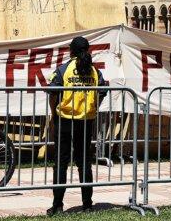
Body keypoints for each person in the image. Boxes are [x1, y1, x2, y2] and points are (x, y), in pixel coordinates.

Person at [46, 36, 106, 216]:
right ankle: (87, 205)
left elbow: (53, 94)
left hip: (65, 120)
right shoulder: (95, 71)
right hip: (86, 121)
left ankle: (57, 205)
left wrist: (54, 114)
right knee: (84, 163)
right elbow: (102, 92)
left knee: (61, 162)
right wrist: (93, 108)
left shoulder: (63, 70)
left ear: (70, 51)